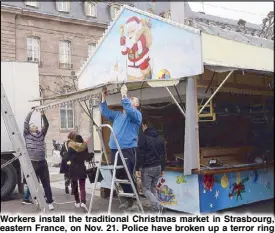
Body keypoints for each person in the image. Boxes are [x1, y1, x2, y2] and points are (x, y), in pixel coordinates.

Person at [100, 84, 142, 211]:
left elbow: (129, 110)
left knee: (129, 174)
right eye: (129, 99)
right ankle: (127, 199)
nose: (129, 101)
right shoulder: (118, 115)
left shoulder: (136, 115)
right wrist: (103, 97)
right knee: (118, 174)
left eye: (132, 100)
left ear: (136, 105)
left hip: (127, 149)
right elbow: (106, 112)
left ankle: (135, 200)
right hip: (115, 149)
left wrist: (124, 95)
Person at [23, 108, 54, 210]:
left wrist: (43, 114)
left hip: (42, 162)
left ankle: (49, 202)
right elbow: (26, 123)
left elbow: (46, 125)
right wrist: (30, 112)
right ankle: (36, 200)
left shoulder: (41, 134)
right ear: (29, 128)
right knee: (33, 184)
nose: (34, 126)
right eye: (32, 125)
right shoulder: (27, 135)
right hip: (33, 163)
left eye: (35, 125)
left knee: (46, 183)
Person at [136, 118, 166, 213]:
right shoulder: (160, 138)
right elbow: (163, 154)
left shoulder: (143, 137)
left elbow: (140, 153)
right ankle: (155, 211)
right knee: (153, 189)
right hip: (158, 166)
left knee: (145, 190)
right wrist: (162, 168)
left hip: (148, 167)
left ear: (144, 125)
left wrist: (137, 167)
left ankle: (158, 204)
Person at [67, 135, 88, 210]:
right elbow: (86, 157)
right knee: (82, 186)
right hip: (82, 168)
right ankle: (83, 202)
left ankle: (77, 202)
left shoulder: (71, 147)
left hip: (73, 169)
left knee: (75, 186)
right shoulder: (84, 147)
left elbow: (68, 158)